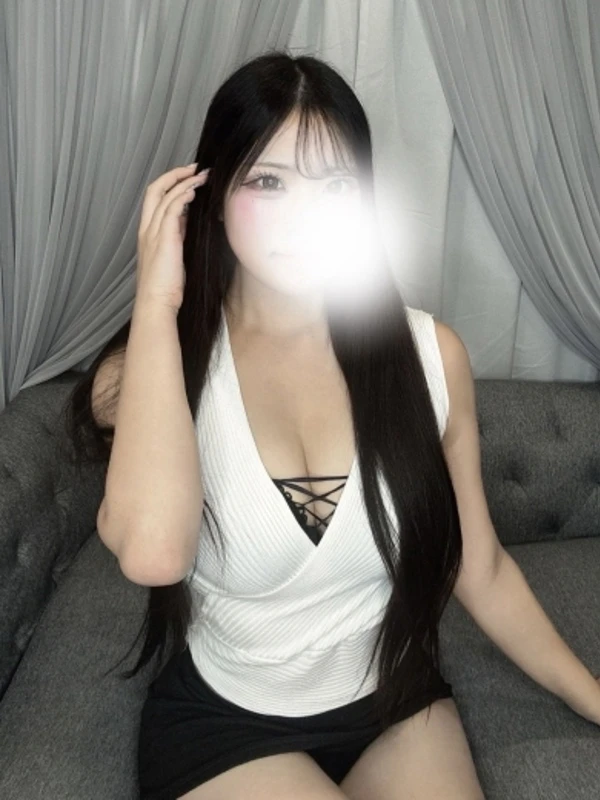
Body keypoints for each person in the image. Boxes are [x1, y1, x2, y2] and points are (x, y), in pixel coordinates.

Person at [72, 50, 489, 799]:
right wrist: (157, 303)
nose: (305, 215)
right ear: (209, 195)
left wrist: (591, 695)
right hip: (227, 727)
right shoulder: (144, 373)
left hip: (395, 699)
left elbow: (481, 566)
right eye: (269, 181)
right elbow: (155, 554)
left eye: (335, 185)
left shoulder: (428, 355)